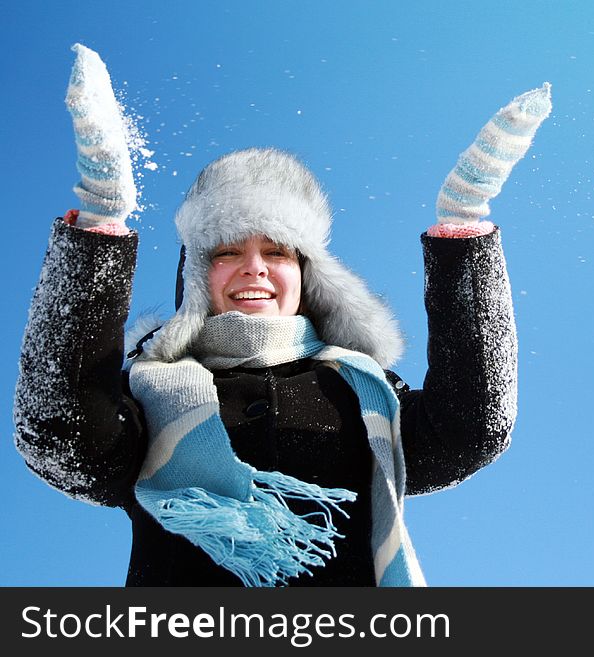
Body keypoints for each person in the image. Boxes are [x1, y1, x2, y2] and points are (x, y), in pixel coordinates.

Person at [13, 44, 552, 586]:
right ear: (198, 279)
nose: (254, 269)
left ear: (307, 275)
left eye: (277, 252)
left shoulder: (361, 390)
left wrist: (463, 228)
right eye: (225, 252)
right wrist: (98, 223)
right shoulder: (148, 395)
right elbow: (58, 435)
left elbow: (473, 428)